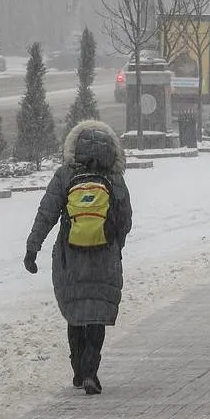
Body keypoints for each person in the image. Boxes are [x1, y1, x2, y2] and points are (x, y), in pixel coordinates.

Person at [24, 120, 133, 395]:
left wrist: (32, 247)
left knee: (76, 314)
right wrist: (115, 244)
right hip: (103, 255)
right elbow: (125, 218)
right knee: (96, 313)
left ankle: (77, 369)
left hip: (70, 256)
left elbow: (46, 213)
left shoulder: (64, 176)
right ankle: (91, 371)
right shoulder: (114, 179)